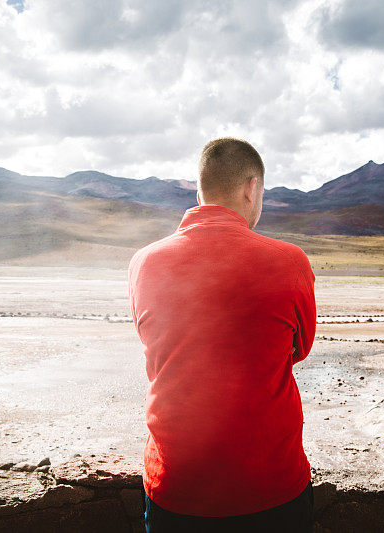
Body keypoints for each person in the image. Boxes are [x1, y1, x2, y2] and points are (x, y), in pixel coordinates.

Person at [127, 137, 317, 532]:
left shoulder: (143, 263)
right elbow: (297, 350)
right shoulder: (289, 261)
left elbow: (154, 343)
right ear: (252, 188)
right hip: (271, 488)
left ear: (200, 191)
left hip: (176, 488)